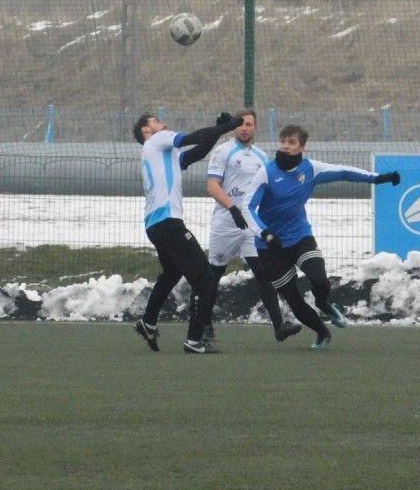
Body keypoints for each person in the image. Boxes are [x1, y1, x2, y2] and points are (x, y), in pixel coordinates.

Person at [242, 123, 400, 350]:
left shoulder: (311, 170)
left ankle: (323, 302)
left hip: (299, 238)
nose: (285, 146)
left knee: (319, 279)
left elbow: (345, 172)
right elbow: (247, 207)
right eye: (283, 141)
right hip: (270, 247)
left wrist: (378, 178)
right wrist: (265, 233)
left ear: (302, 147)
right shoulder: (266, 172)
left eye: (292, 142)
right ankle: (322, 332)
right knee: (295, 301)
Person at [132, 110, 244, 354]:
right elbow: (193, 137)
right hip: (168, 224)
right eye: (157, 122)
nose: (165, 124)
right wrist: (229, 126)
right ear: (146, 130)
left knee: (171, 272)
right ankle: (194, 340)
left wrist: (218, 128)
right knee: (206, 280)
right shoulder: (157, 140)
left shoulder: (161, 154)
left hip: (155, 225)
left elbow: (199, 151)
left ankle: (148, 322)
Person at [191, 108, 301, 343]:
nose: (244, 128)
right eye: (240, 124)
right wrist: (232, 208)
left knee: (263, 273)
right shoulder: (223, 151)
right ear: (234, 128)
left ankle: (278, 326)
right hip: (226, 223)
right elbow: (212, 185)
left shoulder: (262, 157)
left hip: (251, 225)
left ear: (255, 128)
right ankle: (203, 325)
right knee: (213, 276)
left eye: (248, 124)